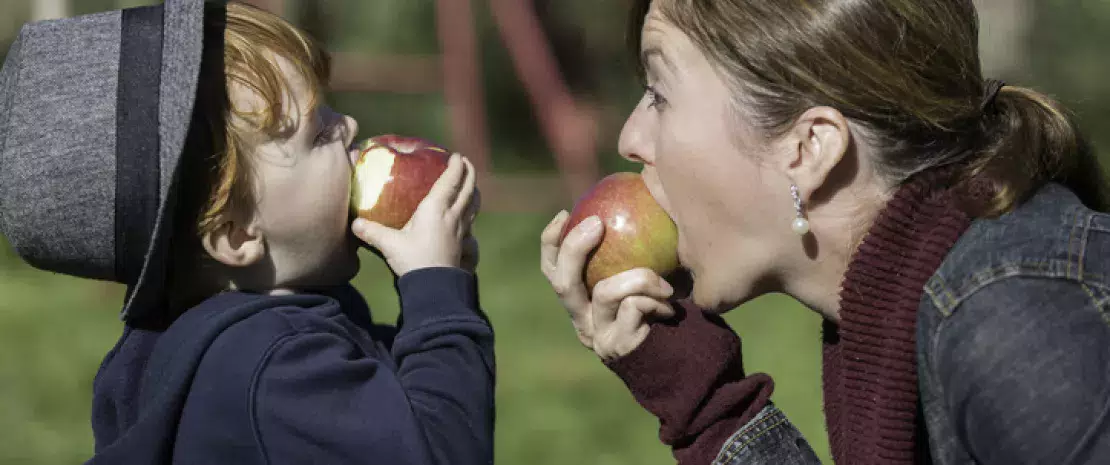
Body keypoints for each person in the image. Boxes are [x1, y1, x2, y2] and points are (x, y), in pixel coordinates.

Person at [540, 1, 1110, 464]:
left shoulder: (1017, 323)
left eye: (660, 95)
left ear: (810, 148)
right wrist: (700, 398)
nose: (629, 137)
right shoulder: (902, 305)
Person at [0, 2, 492, 464]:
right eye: (316, 135)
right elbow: (443, 448)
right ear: (235, 235)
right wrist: (439, 295)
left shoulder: (175, 347)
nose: (349, 125)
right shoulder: (280, 369)